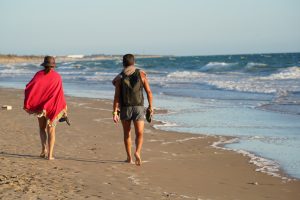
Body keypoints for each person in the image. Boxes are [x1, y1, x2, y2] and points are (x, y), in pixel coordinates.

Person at [112, 54, 153, 166]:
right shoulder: (141, 74)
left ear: (123, 63)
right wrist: (150, 107)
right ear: (134, 62)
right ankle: (137, 152)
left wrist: (115, 111)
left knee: (127, 133)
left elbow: (116, 96)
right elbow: (149, 92)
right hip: (139, 107)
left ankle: (129, 158)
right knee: (139, 133)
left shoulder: (120, 77)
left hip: (125, 108)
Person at [24, 56, 67, 160]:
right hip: (53, 107)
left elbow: (30, 87)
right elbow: (60, 93)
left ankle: (44, 150)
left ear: (44, 64)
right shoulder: (57, 77)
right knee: (51, 130)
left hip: (40, 107)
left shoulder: (38, 74)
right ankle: (50, 155)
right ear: (53, 66)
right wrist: (64, 106)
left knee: (42, 128)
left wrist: (31, 101)